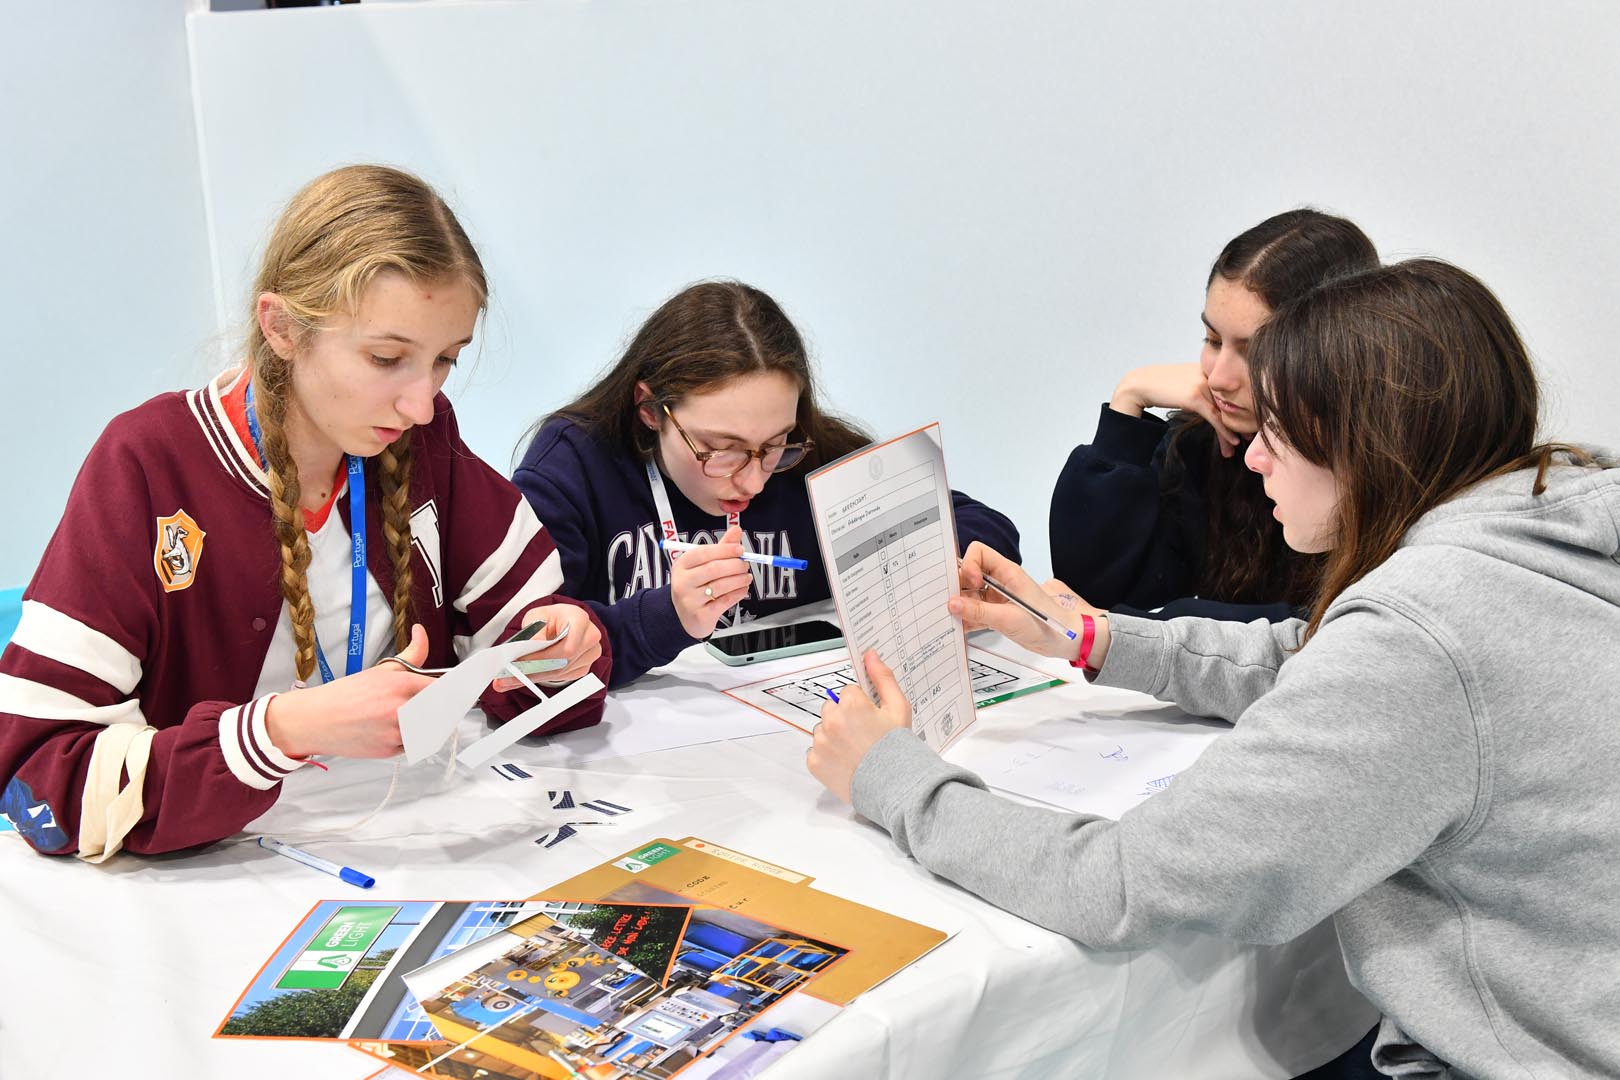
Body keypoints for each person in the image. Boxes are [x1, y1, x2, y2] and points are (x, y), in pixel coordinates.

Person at [808, 259, 1619, 1078]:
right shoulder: (1545, 522)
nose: (1255, 458)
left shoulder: (1421, 633)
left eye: (1278, 434)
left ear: (1364, 446)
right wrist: (1092, 637)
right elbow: (1313, 654)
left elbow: (1123, 884)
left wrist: (893, 778)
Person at [0, 165, 609, 861]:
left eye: (445, 359)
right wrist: (279, 732)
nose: (421, 403)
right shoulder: (149, 463)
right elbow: (36, 782)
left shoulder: (423, 438)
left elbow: (536, 649)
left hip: (397, 846)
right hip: (217, 883)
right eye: (386, 357)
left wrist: (557, 650)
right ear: (282, 326)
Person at [513, 280, 1021, 686]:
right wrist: (667, 615)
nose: (753, 479)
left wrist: (945, 564)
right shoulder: (574, 463)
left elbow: (978, 523)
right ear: (650, 409)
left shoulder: (814, 456)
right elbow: (523, 653)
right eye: (720, 448)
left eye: (775, 443)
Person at [1050, 209, 1377, 621]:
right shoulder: (1200, 443)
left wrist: (1169, 622)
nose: (1219, 378)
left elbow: (1325, 631)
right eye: (1213, 339)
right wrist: (1128, 402)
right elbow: (1086, 598)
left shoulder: (1386, 469)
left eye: (1254, 352)